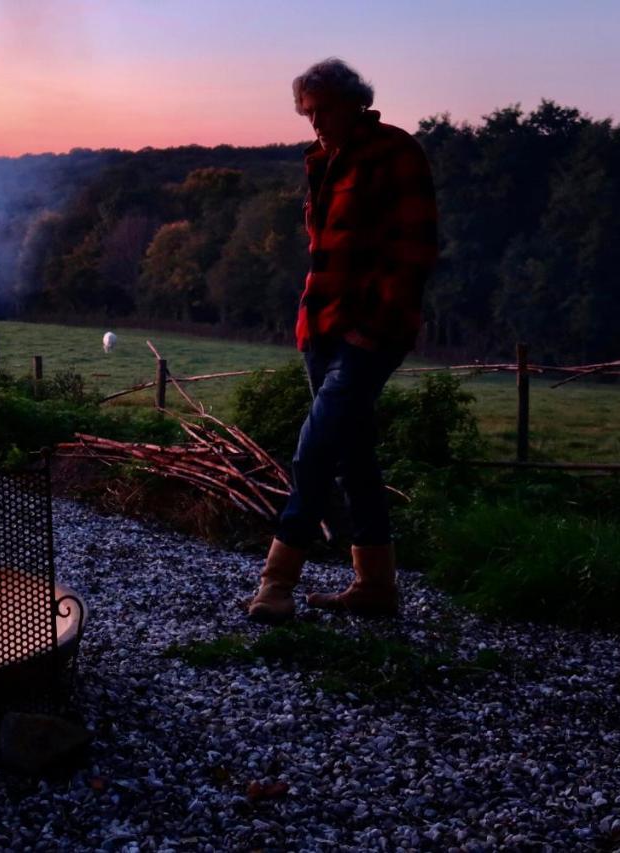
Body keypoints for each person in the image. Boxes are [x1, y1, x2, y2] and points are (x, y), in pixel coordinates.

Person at [248, 58, 438, 623]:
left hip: (371, 331)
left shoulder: (396, 153)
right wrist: (311, 324)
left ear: (357, 101)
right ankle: (375, 587)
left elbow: (415, 253)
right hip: (321, 329)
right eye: (309, 113)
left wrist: (370, 327)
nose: (316, 123)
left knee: (315, 451)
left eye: (324, 109)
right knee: (353, 453)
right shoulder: (320, 161)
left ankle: (276, 583)